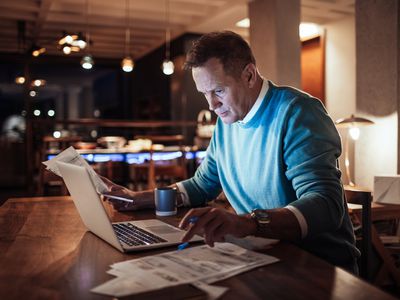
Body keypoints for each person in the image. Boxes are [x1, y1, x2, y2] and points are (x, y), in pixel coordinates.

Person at [104, 31, 359, 273]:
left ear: (249, 75)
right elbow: (202, 185)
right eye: (204, 94)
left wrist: (249, 222)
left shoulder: (298, 113)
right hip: (262, 257)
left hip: (316, 266)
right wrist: (139, 198)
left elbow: (326, 205)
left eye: (218, 91)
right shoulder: (227, 123)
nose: (212, 105)